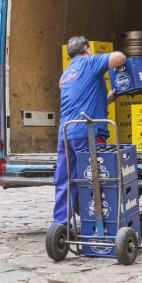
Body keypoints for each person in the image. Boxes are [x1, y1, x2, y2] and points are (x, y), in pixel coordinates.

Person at [53, 36, 126, 225]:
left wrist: (107, 99)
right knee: (97, 179)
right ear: (87, 48)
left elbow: (81, 101)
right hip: (87, 134)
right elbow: (120, 57)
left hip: (65, 134)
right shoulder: (90, 62)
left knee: (65, 181)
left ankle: (59, 224)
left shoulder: (67, 73)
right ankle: (101, 223)